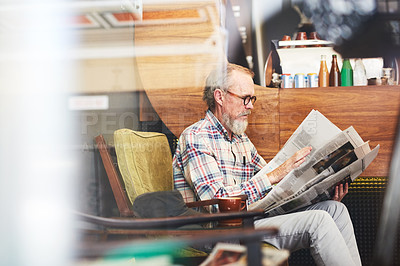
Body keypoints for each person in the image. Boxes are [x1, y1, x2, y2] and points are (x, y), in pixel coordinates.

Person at [173, 63, 361, 266]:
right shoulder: (196, 137)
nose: (251, 106)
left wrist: (321, 190)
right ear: (219, 97)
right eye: (245, 98)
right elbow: (217, 205)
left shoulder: (240, 139)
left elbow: (277, 189)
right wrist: (275, 175)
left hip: (249, 220)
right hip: (218, 232)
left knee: (335, 209)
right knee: (319, 221)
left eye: (252, 99)